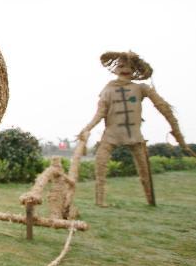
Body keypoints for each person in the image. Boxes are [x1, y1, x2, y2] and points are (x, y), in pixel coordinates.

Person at [78, 51, 187, 207]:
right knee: (100, 166)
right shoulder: (107, 90)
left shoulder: (141, 88)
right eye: (121, 66)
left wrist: (178, 135)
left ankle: (150, 200)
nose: (124, 69)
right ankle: (100, 201)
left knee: (144, 171)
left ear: (134, 70)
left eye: (129, 66)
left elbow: (164, 108)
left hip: (135, 136)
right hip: (111, 135)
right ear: (115, 69)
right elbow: (100, 113)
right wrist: (86, 129)